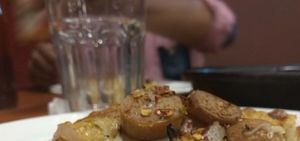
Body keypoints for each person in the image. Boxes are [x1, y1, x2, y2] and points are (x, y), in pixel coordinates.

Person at [27, 0, 237, 86]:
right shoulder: (66, 7)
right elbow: (40, 37)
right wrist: (50, 63)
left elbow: (223, 31)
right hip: (85, 112)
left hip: (180, 109)